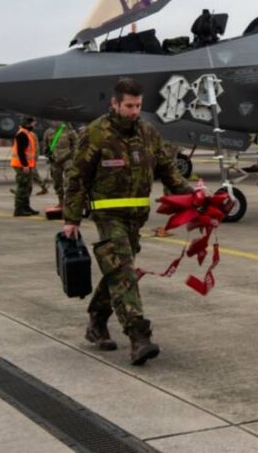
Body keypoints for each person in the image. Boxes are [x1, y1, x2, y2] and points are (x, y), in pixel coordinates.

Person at [62, 78, 193, 366]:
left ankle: (96, 322)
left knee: (117, 273)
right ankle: (138, 337)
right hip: (108, 217)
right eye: (129, 106)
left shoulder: (148, 133)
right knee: (123, 271)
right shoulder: (95, 134)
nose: (134, 112)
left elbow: (168, 171)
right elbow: (76, 178)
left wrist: (193, 192)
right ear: (115, 104)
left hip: (136, 219)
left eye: (138, 106)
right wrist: (70, 218)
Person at [43, 121, 78, 209]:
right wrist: (47, 153)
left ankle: (69, 202)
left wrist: (72, 155)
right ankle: (61, 201)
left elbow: (76, 145)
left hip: (67, 159)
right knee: (57, 182)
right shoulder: (48, 132)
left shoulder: (70, 131)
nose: (55, 122)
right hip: (55, 160)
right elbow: (45, 145)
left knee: (69, 181)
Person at [11, 116, 39, 216]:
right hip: (21, 165)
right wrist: (25, 165)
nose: (34, 125)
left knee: (28, 187)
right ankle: (19, 209)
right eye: (33, 123)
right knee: (22, 187)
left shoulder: (27, 134)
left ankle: (26, 207)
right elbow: (20, 152)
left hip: (26, 165)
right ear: (28, 123)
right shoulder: (22, 134)